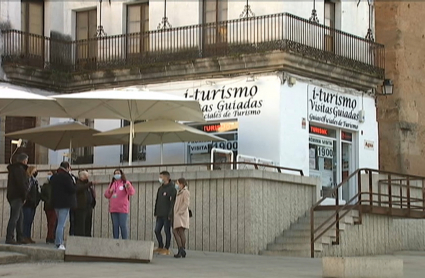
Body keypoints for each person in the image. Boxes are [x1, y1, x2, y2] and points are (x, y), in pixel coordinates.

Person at [51, 161, 76, 250]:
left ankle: (57, 240)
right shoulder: (67, 177)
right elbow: (72, 189)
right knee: (61, 224)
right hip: (65, 203)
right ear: (67, 167)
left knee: (59, 222)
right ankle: (59, 242)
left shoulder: (54, 176)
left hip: (56, 202)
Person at [5, 153, 30, 245]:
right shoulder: (19, 170)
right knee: (15, 217)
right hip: (17, 196)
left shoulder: (14, 169)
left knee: (20, 217)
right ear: (24, 161)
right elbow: (22, 185)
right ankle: (10, 237)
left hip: (13, 196)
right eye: (26, 160)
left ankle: (20, 237)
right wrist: (24, 196)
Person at [104, 169, 135, 239]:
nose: (116, 175)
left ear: (121, 174)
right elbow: (106, 195)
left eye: (118, 173)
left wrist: (128, 187)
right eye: (115, 173)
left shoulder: (125, 183)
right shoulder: (112, 184)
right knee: (115, 225)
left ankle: (125, 240)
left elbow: (131, 192)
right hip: (113, 208)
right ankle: (115, 240)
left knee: (122, 225)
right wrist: (110, 191)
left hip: (122, 208)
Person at [154, 171, 177, 255]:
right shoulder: (160, 188)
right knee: (157, 230)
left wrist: (170, 214)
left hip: (167, 214)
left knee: (167, 231)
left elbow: (172, 202)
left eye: (161, 177)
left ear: (166, 177)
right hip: (160, 214)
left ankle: (167, 248)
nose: (160, 178)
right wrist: (155, 212)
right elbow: (157, 201)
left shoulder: (172, 188)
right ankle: (160, 246)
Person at [22, 166, 41, 244]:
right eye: (35, 171)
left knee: (30, 221)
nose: (36, 172)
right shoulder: (29, 180)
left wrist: (37, 200)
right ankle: (24, 236)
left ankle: (28, 236)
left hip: (33, 204)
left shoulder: (35, 181)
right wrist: (29, 199)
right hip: (28, 204)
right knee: (26, 221)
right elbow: (26, 191)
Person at [74, 170, 96, 237]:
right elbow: (79, 189)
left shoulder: (88, 185)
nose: (87, 178)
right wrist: (88, 184)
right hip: (81, 207)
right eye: (86, 176)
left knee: (88, 224)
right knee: (81, 225)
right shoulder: (78, 184)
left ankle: (88, 236)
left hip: (88, 207)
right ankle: (81, 237)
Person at [173, 178, 190, 258]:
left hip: (181, 215)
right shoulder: (179, 192)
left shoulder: (185, 192)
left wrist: (179, 212)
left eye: (177, 183)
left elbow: (186, 203)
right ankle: (181, 249)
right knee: (178, 231)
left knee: (179, 230)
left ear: (182, 184)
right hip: (178, 214)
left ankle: (181, 248)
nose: (176, 185)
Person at [40, 170, 57, 244]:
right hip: (48, 206)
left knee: (52, 222)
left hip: (54, 206)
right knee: (50, 222)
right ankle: (50, 237)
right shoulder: (45, 186)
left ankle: (50, 236)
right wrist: (46, 200)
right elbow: (42, 195)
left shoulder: (56, 186)